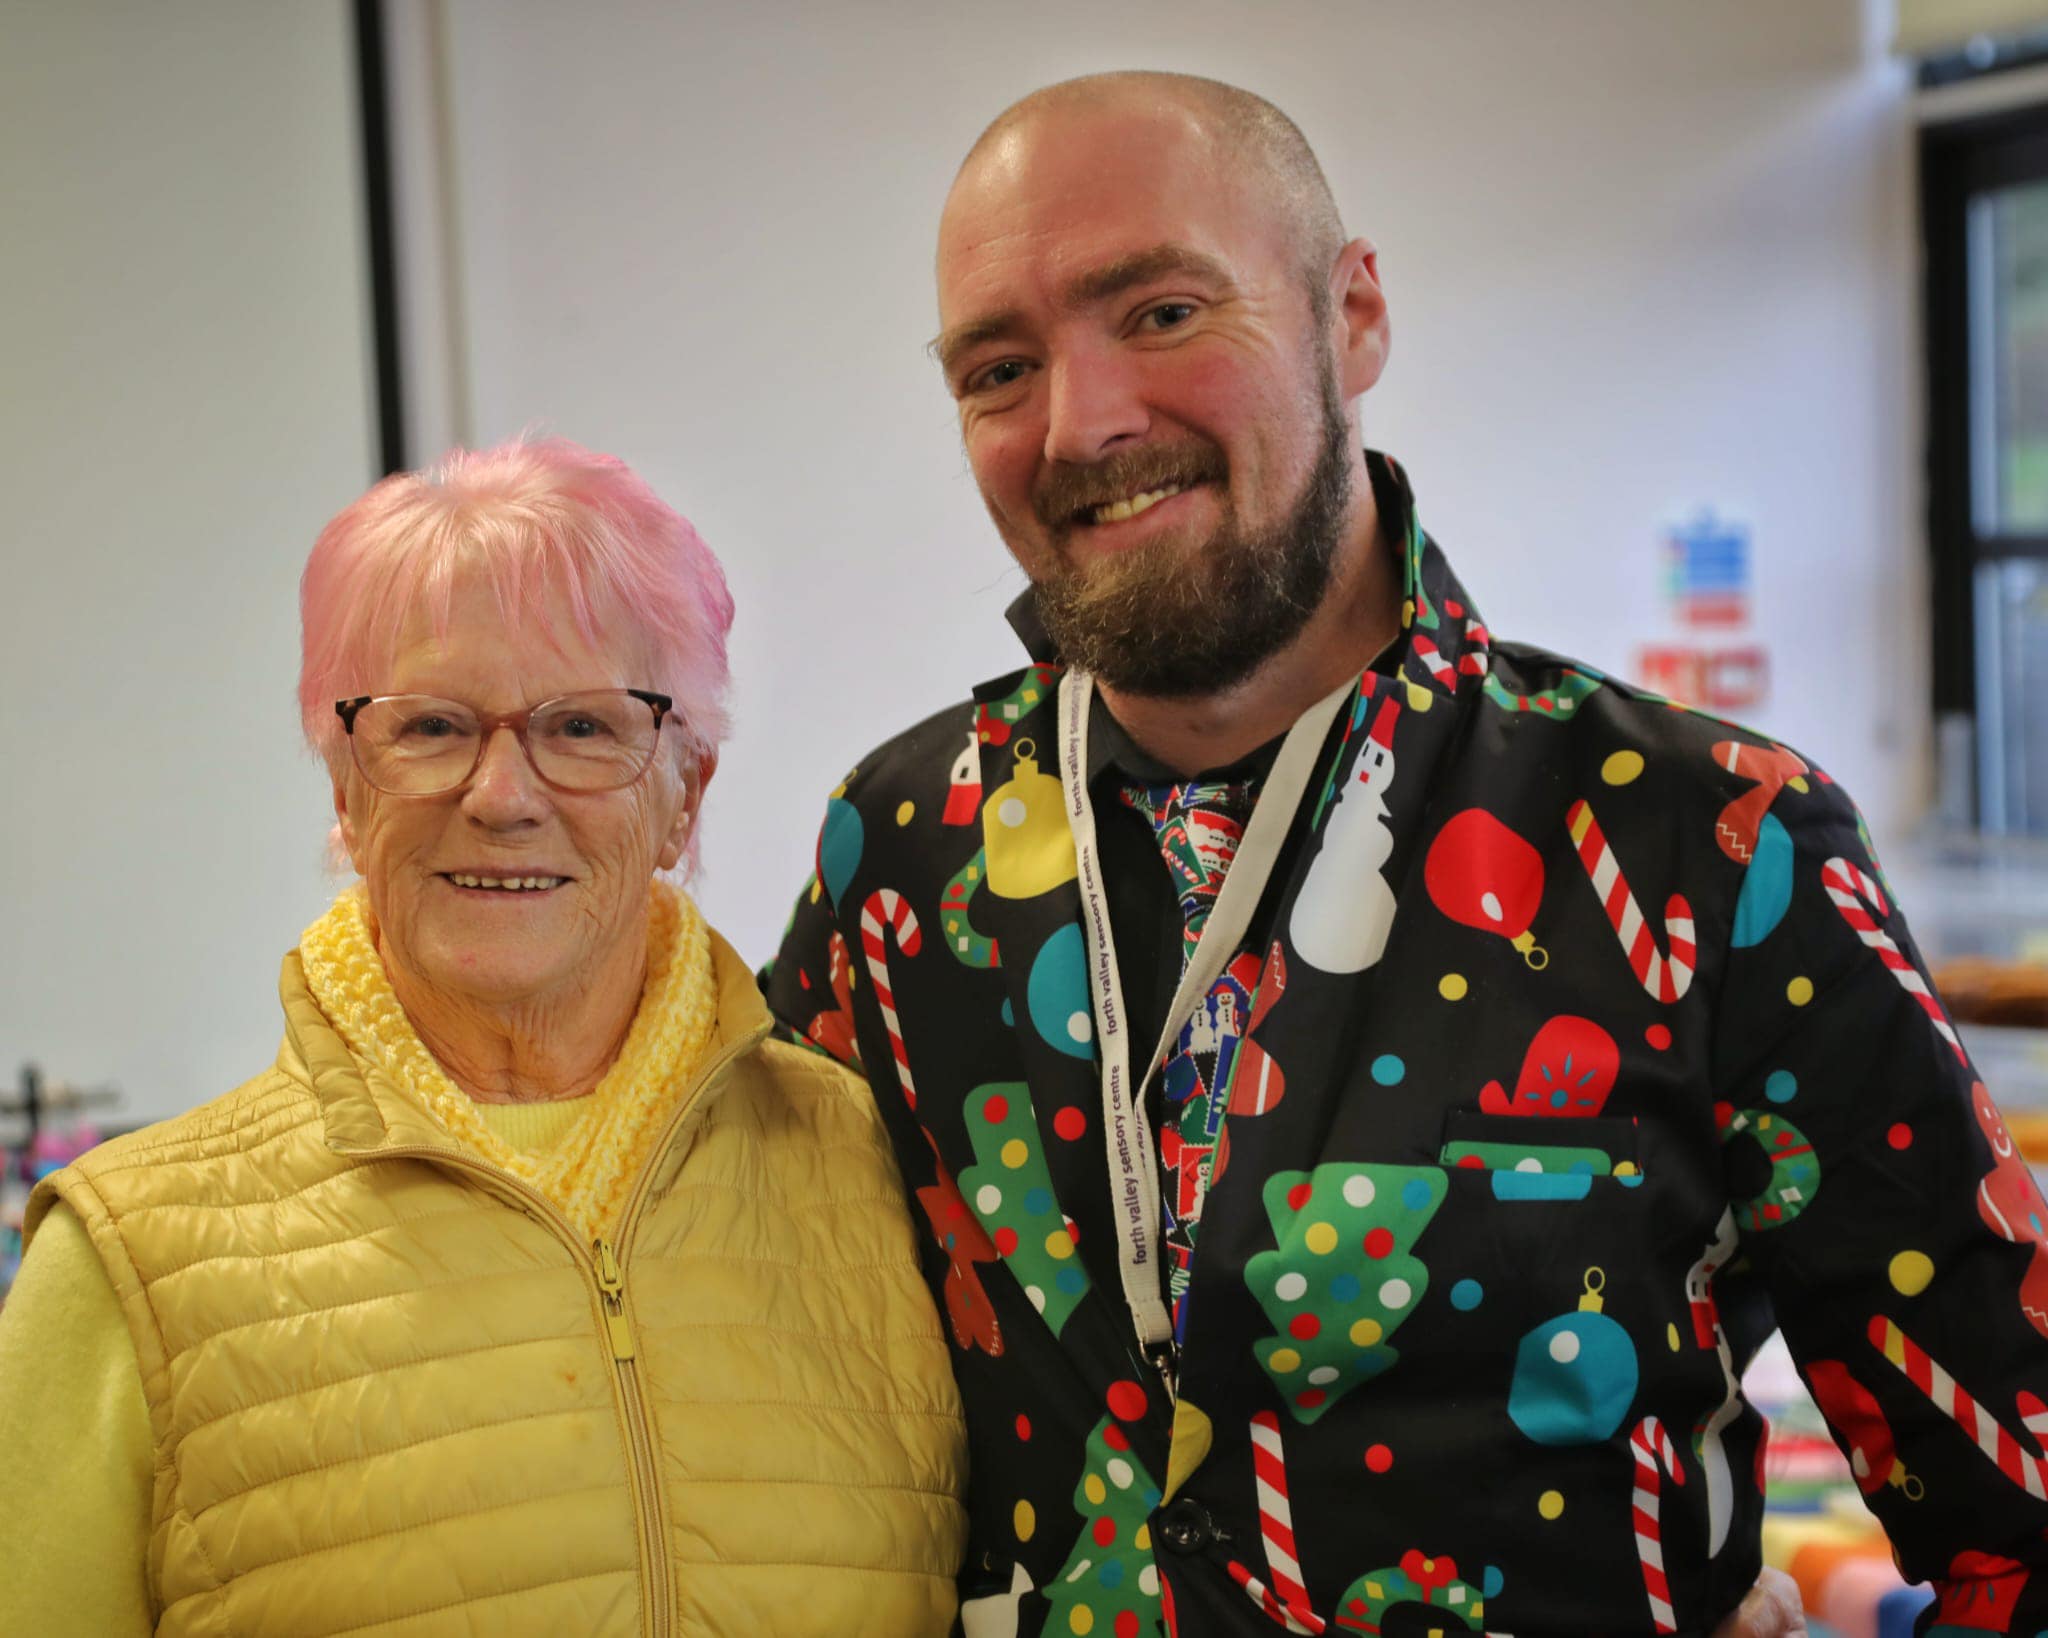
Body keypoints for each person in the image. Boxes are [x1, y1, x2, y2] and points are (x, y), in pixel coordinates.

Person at [764, 70, 2048, 1634]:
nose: (1082, 419)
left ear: (1352, 315)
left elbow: (2021, 1503)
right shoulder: (899, 856)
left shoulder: (1707, 843)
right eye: (999, 368)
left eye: (1163, 311)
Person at [0, 439, 968, 1635]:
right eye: (430, 728)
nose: (503, 796)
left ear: (686, 793)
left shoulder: (885, 1166)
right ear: (346, 791)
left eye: (583, 727)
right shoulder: (128, 1260)